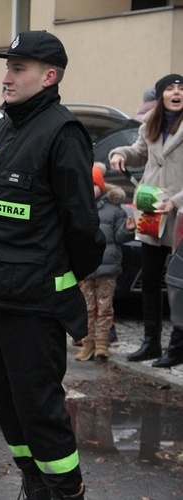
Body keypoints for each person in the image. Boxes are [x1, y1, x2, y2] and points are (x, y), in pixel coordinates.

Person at [0, 31, 105, 499]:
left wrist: (54, 276)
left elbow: (83, 230)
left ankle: (65, 492)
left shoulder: (62, 133)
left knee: (39, 409)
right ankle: (36, 486)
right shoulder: (5, 127)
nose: (6, 77)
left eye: (18, 68)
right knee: (9, 407)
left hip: (35, 301)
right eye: (7, 67)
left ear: (48, 77)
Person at [110, 73, 183, 368]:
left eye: (181, 88)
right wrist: (119, 154)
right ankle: (150, 342)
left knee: (179, 283)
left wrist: (175, 202)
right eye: (171, 88)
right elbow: (139, 153)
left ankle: (177, 346)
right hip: (152, 208)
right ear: (161, 94)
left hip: (179, 213)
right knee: (150, 278)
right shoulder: (151, 123)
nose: (177, 92)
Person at [75, 163, 136, 362]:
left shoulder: (114, 210)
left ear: (101, 186)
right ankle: (87, 343)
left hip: (107, 268)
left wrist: (128, 229)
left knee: (104, 307)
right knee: (85, 308)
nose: (90, 190)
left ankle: (102, 343)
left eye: (94, 185)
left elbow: (119, 237)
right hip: (85, 269)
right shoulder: (79, 208)